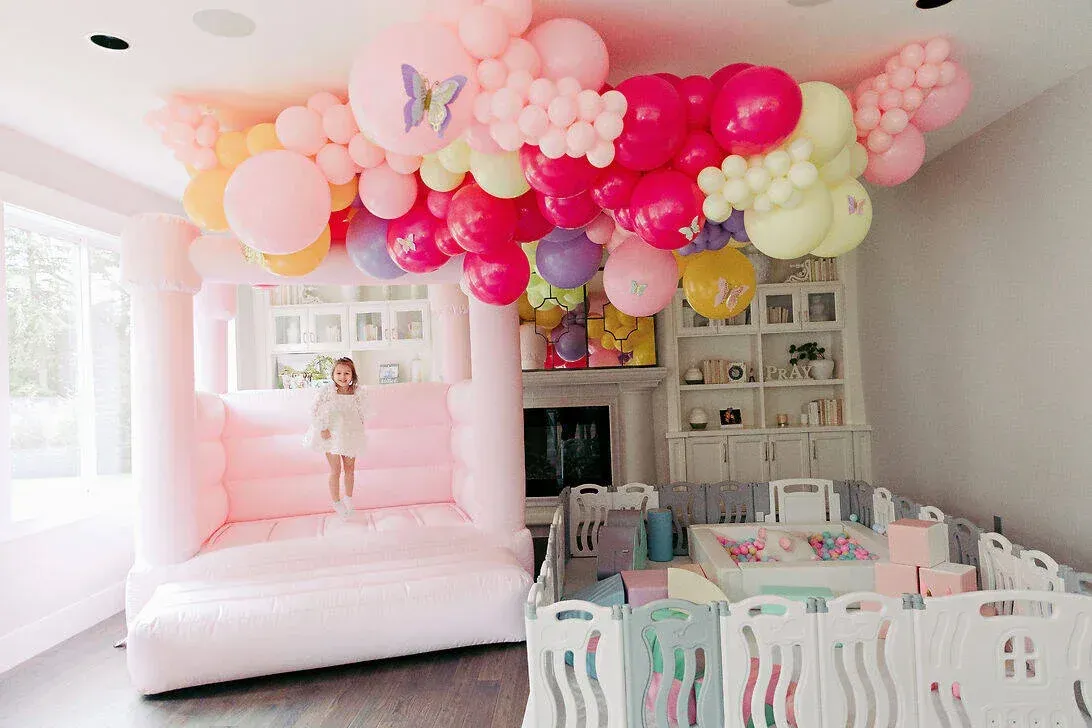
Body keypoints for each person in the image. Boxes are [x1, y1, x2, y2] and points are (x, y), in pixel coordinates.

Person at [303, 357, 371, 518]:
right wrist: (322, 428)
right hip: (332, 434)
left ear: (352, 375)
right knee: (335, 470)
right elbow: (314, 410)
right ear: (333, 375)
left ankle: (348, 498)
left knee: (350, 469)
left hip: (350, 433)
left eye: (347, 373)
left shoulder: (357, 392)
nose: (342, 376)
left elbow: (362, 411)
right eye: (338, 373)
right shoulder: (327, 391)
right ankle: (336, 501)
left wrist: (360, 427)